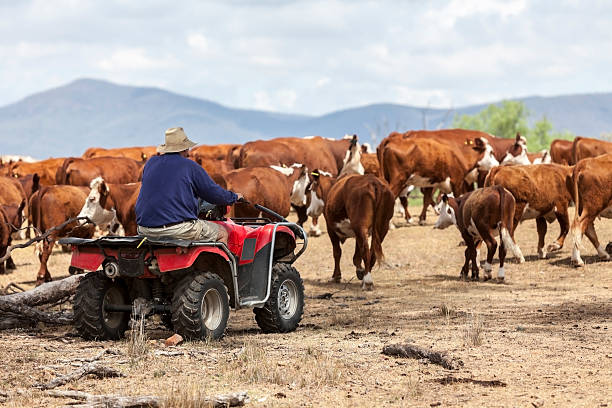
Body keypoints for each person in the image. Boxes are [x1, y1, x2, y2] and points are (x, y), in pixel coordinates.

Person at [135, 127, 242, 244]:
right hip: (178, 229)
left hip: (145, 229)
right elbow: (213, 194)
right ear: (184, 149)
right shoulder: (190, 166)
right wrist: (234, 197)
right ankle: (225, 262)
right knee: (222, 233)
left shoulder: (151, 163)